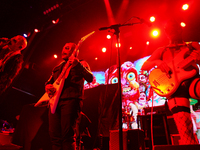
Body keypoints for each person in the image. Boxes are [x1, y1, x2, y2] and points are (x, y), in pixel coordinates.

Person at [141, 19, 200, 144]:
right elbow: (144, 66)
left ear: (181, 29)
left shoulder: (192, 45)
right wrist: (158, 62)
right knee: (185, 130)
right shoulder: (161, 50)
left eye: (175, 28)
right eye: (170, 29)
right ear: (166, 32)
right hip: (174, 89)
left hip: (193, 81)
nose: (173, 31)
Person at [45, 42, 93, 150]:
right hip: (54, 103)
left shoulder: (81, 63)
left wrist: (78, 65)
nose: (63, 50)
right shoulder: (57, 67)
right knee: (54, 136)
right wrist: (47, 86)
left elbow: (90, 78)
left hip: (71, 100)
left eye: (67, 48)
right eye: (63, 47)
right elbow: (49, 82)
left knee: (67, 136)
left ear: (75, 52)